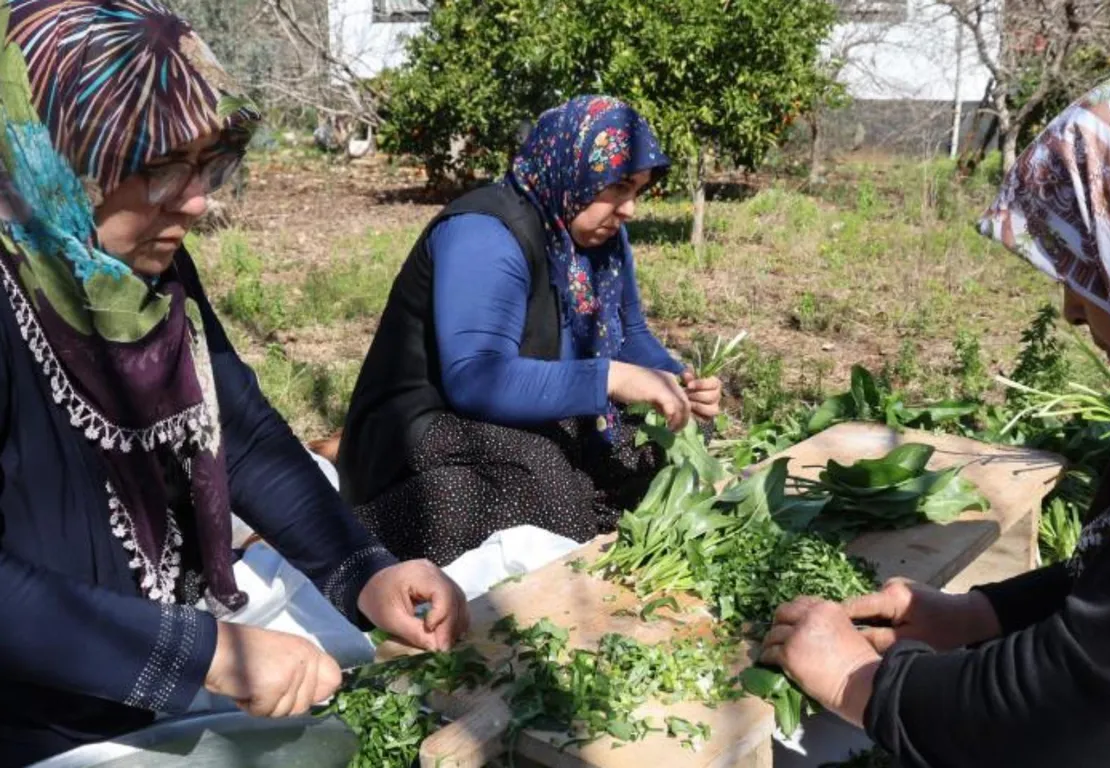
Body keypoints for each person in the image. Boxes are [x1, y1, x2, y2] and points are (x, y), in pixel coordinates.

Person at [762, 53, 1110, 768]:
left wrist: (867, 684)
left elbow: (1099, 704)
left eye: (1088, 267)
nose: (1070, 309)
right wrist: (982, 614)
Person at [0, 2, 467, 765]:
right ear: (58, 156)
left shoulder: (138, 276)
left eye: (206, 164)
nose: (198, 200)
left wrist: (366, 572)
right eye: (160, 168)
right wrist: (210, 654)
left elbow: (238, 432)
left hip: (148, 685)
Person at [339, 96, 723, 565]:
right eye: (619, 186)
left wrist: (677, 381)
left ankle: (585, 514)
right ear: (573, 168)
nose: (630, 210)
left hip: (530, 410)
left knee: (678, 441)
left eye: (638, 190)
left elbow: (631, 334)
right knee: (545, 493)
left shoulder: (599, 236)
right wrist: (610, 378)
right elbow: (476, 378)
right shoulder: (485, 233)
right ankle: (365, 537)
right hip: (429, 424)